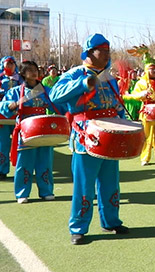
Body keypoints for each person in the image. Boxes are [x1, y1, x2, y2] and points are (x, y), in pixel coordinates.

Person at [49, 33, 130, 245]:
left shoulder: (109, 78)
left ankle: (111, 221)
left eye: (108, 51)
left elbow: (116, 105)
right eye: (101, 51)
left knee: (111, 183)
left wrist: (124, 125)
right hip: (86, 137)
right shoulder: (76, 73)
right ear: (89, 53)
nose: (106, 55)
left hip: (110, 137)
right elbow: (55, 95)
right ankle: (78, 228)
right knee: (84, 185)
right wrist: (84, 83)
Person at [0, 61, 58, 203]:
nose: (34, 72)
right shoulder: (16, 91)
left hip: (44, 129)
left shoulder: (46, 90)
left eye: (35, 69)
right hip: (26, 129)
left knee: (45, 161)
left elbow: (58, 103)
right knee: (24, 162)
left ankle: (46, 191)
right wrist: (11, 105)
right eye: (30, 70)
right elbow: (2, 105)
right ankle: (22, 193)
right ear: (23, 73)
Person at [0, 56, 24, 179]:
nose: (10, 66)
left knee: (21, 142)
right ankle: (2, 170)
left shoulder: (21, 79)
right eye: (7, 63)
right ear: (3, 65)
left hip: (19, 113)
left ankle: (22, 169)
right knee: (2, 143)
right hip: (1, 114)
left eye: (12, 63)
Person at [125, 63, 155, 166]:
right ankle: (145, 158)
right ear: (146, 71)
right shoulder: (141, 83)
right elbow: (135, 95)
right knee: (146, 136)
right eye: (151, 69)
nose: (154, 71)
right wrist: (142, 94)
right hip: (147, 112)